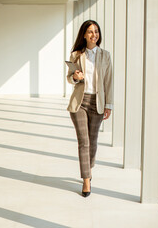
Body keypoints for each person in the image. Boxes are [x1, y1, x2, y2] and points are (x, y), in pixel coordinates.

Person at [67, 20, 113, 197]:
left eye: (96, 31)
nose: (94, 35)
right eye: (90, 32)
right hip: (80, 102)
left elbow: (108, 81)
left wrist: (109, 105)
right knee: (83, 142)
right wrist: (76, 77)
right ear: (84, 35)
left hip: (98, 102)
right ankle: (86, 180)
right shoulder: (77, 55)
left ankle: (89, 166)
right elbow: (69, 78)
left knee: (92, 142)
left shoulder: (105, 55)